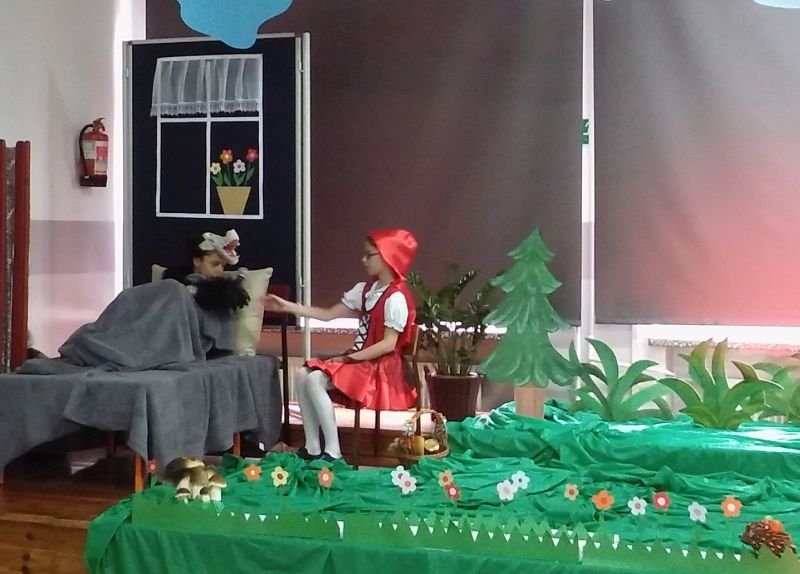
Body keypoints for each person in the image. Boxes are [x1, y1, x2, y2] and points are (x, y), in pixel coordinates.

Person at [263, 228, 419, 462]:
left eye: (369, 255)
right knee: (303, 374)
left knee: (315, 379)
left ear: (388, 257)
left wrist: (347, 358)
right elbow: (328, 315)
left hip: (382, 367)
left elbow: (388, 344)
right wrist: (287, 306)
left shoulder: (395, 297)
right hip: (361, 360)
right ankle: (312, 446)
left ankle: (333, 451)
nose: (363, 260)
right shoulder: (366, 290)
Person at [164, 229, 250, 312]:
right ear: (197, 261)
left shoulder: (225, 291)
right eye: (214, 264)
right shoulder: (174, 282)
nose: (220, 271)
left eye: (223, 266)